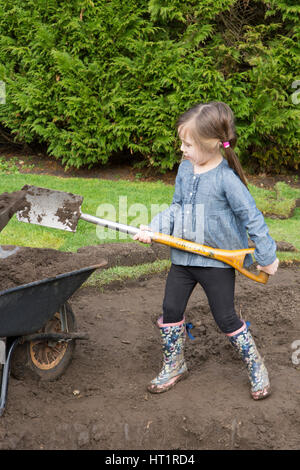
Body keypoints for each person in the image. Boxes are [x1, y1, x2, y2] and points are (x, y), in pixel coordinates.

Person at [133, 101, 279, 400]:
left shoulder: (227, 180)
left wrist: (266, 257)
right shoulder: (185, 170)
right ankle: (175, 364)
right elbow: (177, 207)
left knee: (225, 318)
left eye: (188, 144)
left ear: (212, 144)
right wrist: (154, 228)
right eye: (182, 143)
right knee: (171, 310)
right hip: (183, 259)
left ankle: (256, 366)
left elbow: (252, 218)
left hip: (218, 263)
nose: (183, 150)